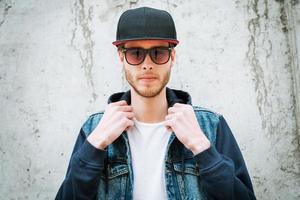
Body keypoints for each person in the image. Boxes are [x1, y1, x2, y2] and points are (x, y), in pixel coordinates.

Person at [55, 6, 256, 200]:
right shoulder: (94, 128)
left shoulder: (210, 125)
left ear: (172, 57)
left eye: (159, 53)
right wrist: (95, 144)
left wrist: (202, 147)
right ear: (121, 57)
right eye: (135, 54)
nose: (147, 64)